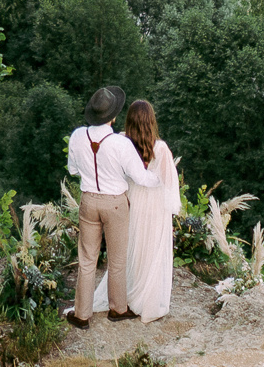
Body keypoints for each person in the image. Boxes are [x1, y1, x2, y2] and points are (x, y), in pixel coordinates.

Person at [66, 84, 153, 328]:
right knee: (117, 259)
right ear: (113, 117)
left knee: (87, 259)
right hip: (115, 204)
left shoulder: (77, 136)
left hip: (88, 200)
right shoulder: (121, 143)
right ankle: (118, 308)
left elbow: (73, 170)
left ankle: (82, 315)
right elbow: (140, 177)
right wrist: (160, 180)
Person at [90, 98, 181, 321]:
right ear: (151, 121)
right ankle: (147, 300)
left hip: (130, 201)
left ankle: (126, 295)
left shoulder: (121, 141)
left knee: (130, 249)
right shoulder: (161, 148)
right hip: (155, 205)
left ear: (129, 120)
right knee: (151, 251)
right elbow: (169, 183)